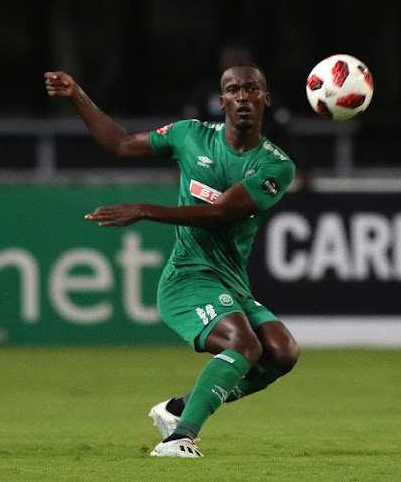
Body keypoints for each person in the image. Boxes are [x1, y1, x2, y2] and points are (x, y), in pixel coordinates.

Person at [45, 64, 300, 458]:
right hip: (187, 277)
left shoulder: (276, 166)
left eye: (252, 89)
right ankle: (179, 437)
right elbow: (120, 144)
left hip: (231, 282)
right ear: (222, 101)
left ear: (265, 99)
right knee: (243, 344)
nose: (243, 97)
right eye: (233, 90)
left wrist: (146, 210)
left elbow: (221, 213)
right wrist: (78, 93)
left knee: (282, 352)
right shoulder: (190, 135)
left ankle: (178, 410)